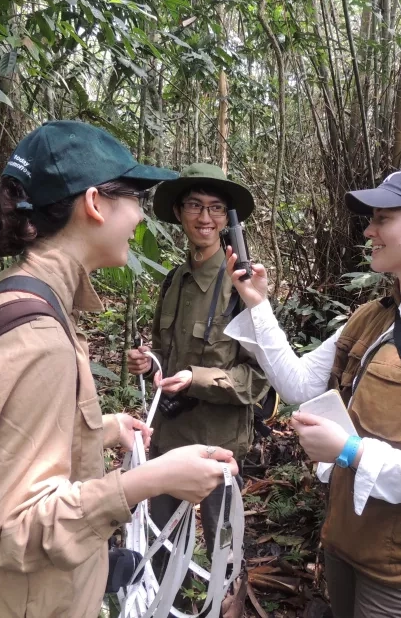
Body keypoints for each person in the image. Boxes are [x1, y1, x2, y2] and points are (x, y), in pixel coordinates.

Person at [0, 121, 239, 618]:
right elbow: (16, 526)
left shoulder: (16, 293)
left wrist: (101, 431)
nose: (137, 219)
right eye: (133, 199)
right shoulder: (39, 338)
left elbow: (5, 438)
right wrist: (144, 484)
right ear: (95, 204)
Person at [224, 167, 401, 618]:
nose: (369, 230)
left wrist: (351, 452)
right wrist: (256, 303)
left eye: (382, 218)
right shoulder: (373, 317)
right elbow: (297, 383)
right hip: (350, 545)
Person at [126, 163, 268, 576]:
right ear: (180, 213)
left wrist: (195, 378)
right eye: (194, 206)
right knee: (160, 540)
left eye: (216, 209)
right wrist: (146, 362)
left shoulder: (242, 285)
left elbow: (257, 378)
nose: (204, 218)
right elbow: (165, 356)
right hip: (169, 437)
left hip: (218, 442)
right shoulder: (174, 281)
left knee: (224, 546)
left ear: (227, 220)